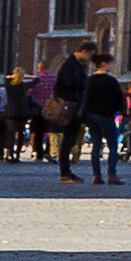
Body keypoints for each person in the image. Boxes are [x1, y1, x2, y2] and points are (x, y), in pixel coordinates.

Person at [79, 49, 126, 185]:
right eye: (111, 64)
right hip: (106, 116)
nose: (113, 66)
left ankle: (96, 175)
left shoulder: (89, 80)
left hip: (91, 116)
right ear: (104, 64)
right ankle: (112, 175)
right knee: (112, 146)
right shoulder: (111, 81)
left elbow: (84, 98)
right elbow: (120, 99)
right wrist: (120, 111)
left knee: (96, 145)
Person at [49, 43, 91, 182]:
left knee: (70, 140)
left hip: (74, 107)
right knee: (67, 141)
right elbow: (66, 84)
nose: (90, 59)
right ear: (84, 52)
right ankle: (64, 173)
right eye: (90, 55)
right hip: (70, 108)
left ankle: (66, 172)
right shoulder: (71, 65)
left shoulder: (75, 65)